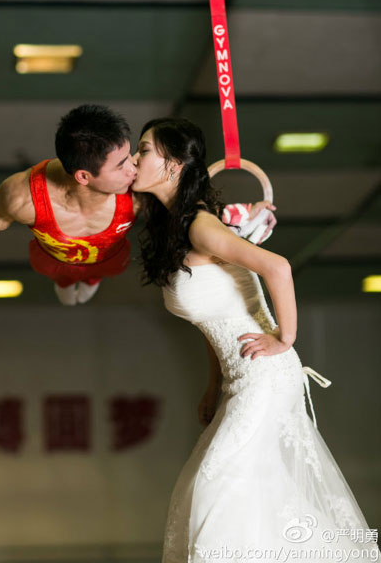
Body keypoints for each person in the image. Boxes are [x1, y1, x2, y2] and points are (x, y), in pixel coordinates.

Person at [131, 117, 379, 560]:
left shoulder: (201, 226)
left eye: (143, 149)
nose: (134, 158)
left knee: (214, 488)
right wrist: (212, 384)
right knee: (237, 495)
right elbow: (212, 316)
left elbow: (278, 267)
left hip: (265, 375)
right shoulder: (177, 229)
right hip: (238, 380)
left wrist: (286, 339)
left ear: (172, 165)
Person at [0, 104, 275, 307]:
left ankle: (90, 279)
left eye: (131, 154)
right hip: (52, 257)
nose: (136, 166)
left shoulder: (139, 190)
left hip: (110, 257)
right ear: (84, 176)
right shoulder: (22, 196)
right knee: (61, 277)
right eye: (122, 164)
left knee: (95, 274)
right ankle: (70, 280)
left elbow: (187, 210)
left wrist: (236, 217)